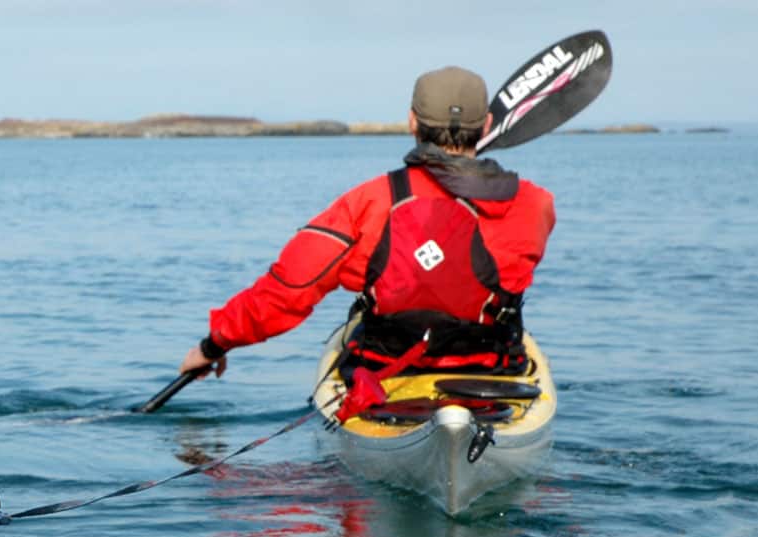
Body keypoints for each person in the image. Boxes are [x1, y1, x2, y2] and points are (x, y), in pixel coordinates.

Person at [178, 66, 555, 387]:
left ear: (412, 121)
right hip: (491, 375)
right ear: (487, 124)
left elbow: (285, 292)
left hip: (383, 375)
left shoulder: (366, 204)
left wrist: (213, 345)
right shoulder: (534, 204)